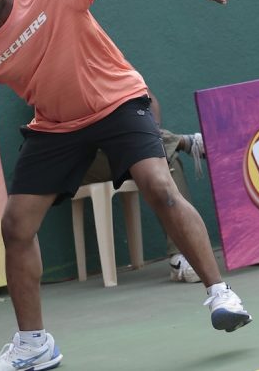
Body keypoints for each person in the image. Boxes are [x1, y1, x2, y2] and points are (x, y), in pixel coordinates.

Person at [0, 0, 252, 371]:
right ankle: (33, 346)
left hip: (116, 101)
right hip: (56, 125)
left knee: (157, 184)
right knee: (16, 226)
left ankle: (220, 293)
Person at [79, 91, 206, 283]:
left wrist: (150, 131)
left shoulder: (110, 72)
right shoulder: (55, 79)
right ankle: (182, 141)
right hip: (85, 159)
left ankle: (182, 256)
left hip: (124, 148)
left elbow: (148, 97)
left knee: (165, 157)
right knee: (142, 142)